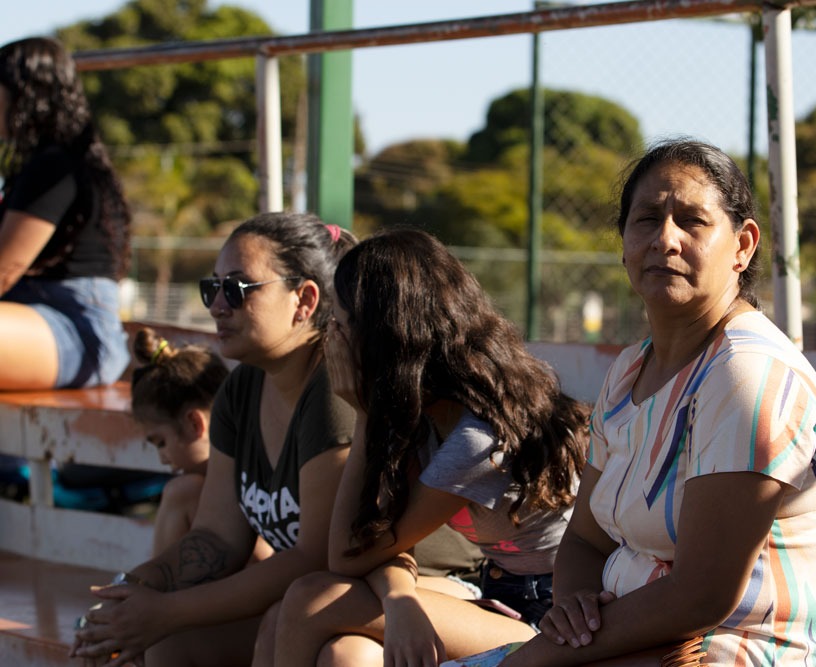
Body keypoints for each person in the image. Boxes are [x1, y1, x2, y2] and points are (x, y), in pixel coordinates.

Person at [499, 138, 816, 666]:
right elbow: (584, 541)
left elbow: (702, 595)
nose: (665, 239)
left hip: (731, 651)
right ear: (623, 243)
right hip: (630, 639)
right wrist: (573, 613)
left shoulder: (745, 374)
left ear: (743, 246)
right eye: (646, 219)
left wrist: (539, 657)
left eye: (692, 221)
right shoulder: (628, 371)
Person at [254, 228, 591, 667]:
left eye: (338, 324)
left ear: (379, 335)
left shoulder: (478, 440)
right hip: (497, 587)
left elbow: (345, 556)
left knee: (308, 600)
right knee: (328, 641)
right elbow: (378, 544)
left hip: (551, 616)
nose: (329, 339)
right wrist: (399, 602)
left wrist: (362, 413)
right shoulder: (427, 411)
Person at [70, 212, 358, 667]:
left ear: (303, 300)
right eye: (212, 288)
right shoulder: (241, 389)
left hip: (388, 597)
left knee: (263, 628)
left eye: (237, 289)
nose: (217, 306)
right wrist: (130, 593)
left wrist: (166, 611)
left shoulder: (332, 388)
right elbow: (217, 536)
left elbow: (313, 557)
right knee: (157, 645)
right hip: (301, 602)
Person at [0, 36, 131, 390]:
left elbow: (3, 271)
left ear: (24, 93)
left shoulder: (55, 167)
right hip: (33, 316)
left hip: (76, 330)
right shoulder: (39, 167)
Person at [129, 325, 274, 561]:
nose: (163, 458)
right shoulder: (259, 460)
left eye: (161, 443)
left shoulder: (188, 490)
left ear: (195, 424)